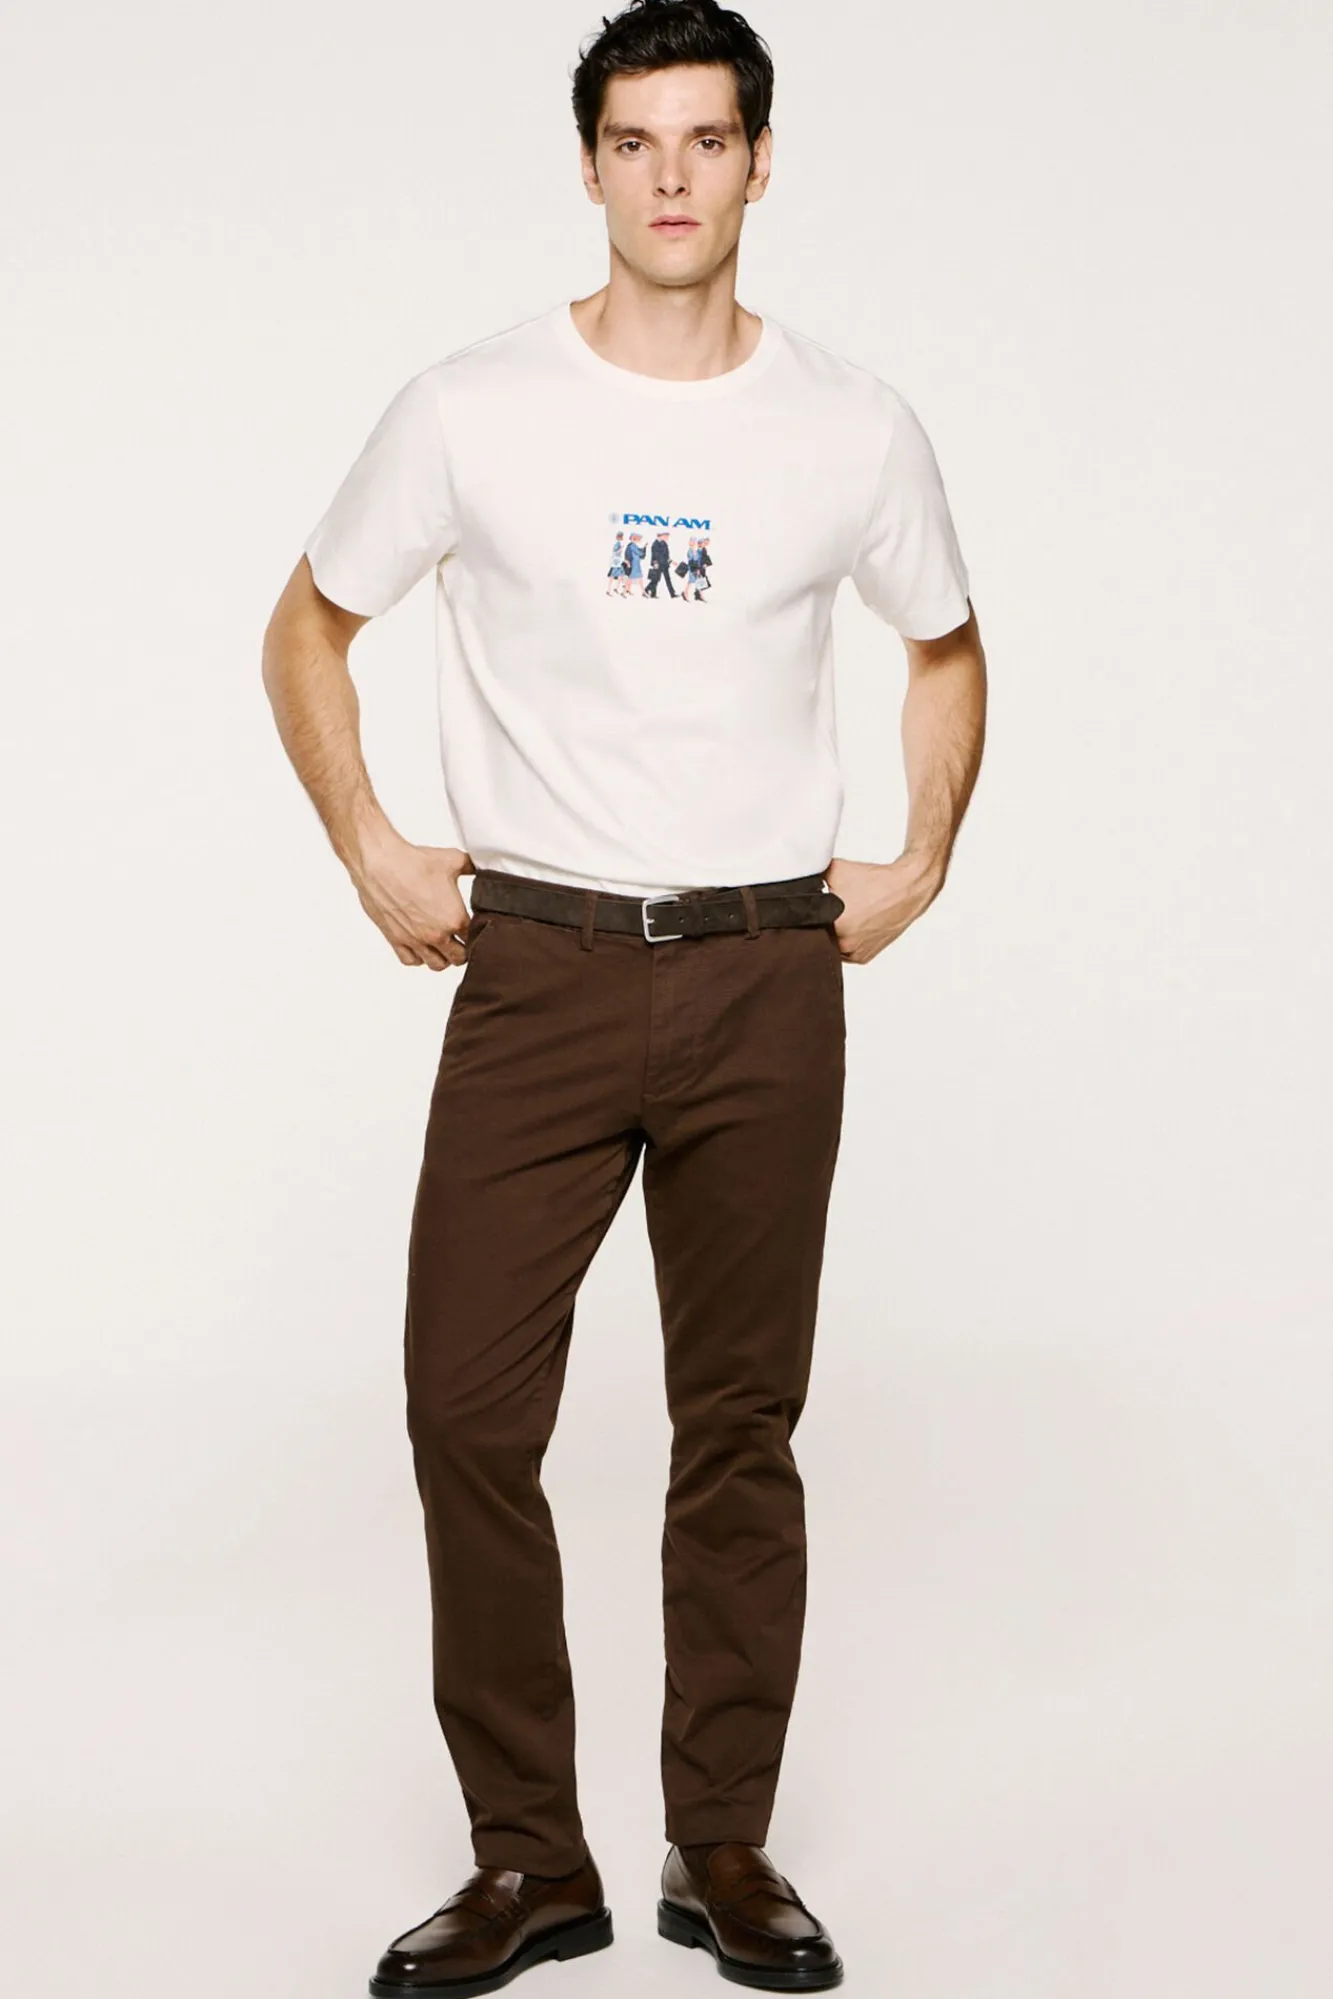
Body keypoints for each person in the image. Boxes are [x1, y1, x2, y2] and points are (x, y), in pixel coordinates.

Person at [261, 1, 986, 1991]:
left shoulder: (851, 426)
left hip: (764, 973)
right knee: (463, 1405)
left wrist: (920, 855)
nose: (673, 176)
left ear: (762, 162)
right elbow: (308, 626)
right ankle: (529, 1860)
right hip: (540, 968)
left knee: (737, 1422)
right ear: (589, 166)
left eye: (708, 139)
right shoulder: (471, 408)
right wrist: (369, 840)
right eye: (636, 141)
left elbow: (945, 643)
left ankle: (719, 1845)